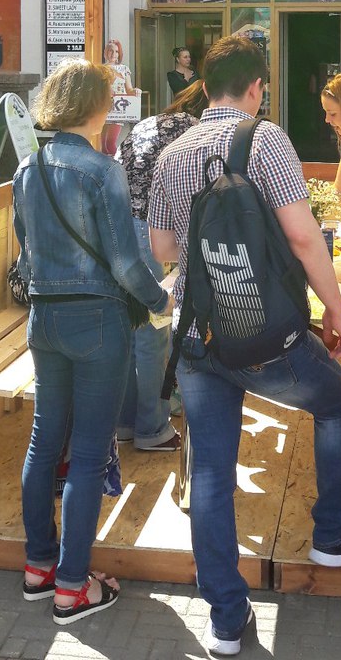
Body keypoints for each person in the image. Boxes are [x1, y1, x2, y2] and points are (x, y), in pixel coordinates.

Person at [148, 36, 341, 656]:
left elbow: (162, 250)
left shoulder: (174, 152)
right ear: (257, 87)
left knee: (211, 470)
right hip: (266, 334)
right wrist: (334, 309)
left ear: (205, 88)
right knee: (337, 402)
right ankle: (332, 535)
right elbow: (305, 238)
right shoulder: (267, 141)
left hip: (200, 335)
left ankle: (225, 620)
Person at [13, 59, 171, 625]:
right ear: (97, 106)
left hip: (44, 319)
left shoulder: (27, 167)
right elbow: (127, 264)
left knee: (43, 441)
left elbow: (25, 254)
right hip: (98, 322)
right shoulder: (103, 170)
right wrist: (160, 302)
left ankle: (39, 567)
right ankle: (72, 587)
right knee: (86, 454)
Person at [115, 80, 208, 451]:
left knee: (130, 328)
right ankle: (152, 428)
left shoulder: (148, 124)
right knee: (153, 332)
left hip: (116, 226)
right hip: (147, 228)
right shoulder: (196, 131)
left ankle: (125, 422)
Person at [101, 39, 137, 157]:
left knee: (110, 143)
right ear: (106, 52)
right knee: (104, 145)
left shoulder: (124, 69)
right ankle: (107, 165)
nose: (113, 54)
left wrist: (136, 91)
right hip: (103, 108)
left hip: (118, 109)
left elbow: (129, 89)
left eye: (116, 51)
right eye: (110, 51)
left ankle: (120, 163)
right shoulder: (100, 69)